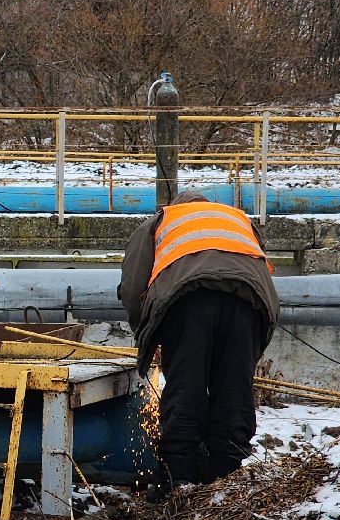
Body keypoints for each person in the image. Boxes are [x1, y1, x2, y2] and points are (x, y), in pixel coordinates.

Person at [118, 188, 279, 489]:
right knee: (234, 388)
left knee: (186, 385)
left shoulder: (160, 221)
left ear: (174, 205)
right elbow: (256, 267)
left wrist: (147, 336)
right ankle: (226, 475)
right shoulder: (238, 219)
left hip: (187, 300)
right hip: (249, 301)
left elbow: (132, 287)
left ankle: (181, 477)